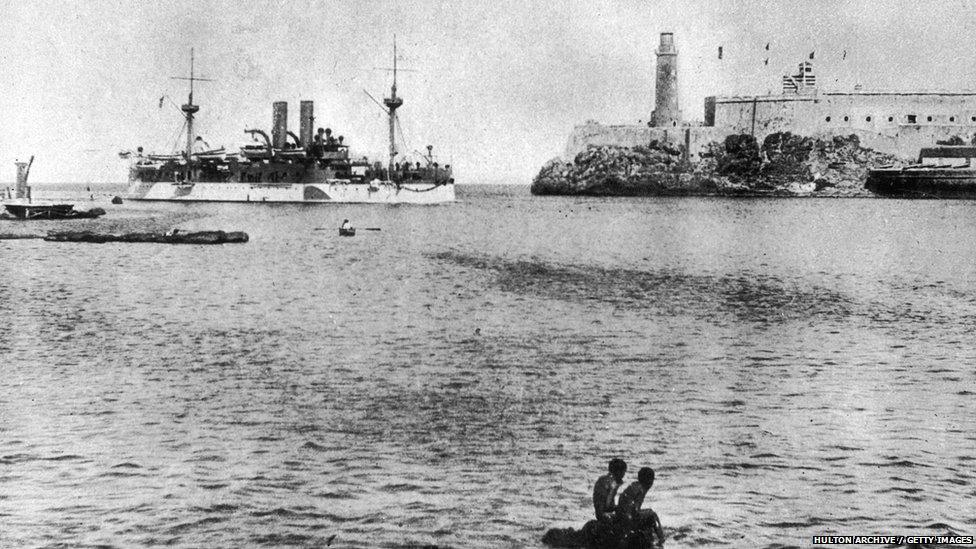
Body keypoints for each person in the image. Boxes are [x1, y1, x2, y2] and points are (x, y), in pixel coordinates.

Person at [617, 467, 665, 545]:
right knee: (653, 514)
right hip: (627, 518)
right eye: (651, 480)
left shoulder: (635, 486)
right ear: (649, 481)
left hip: (622, 516)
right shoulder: (641, 489)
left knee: (649, 513)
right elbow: (633, 509)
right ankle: (661, 538)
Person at [593, 458, 627, 523]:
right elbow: (607, 505)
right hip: (604, 515)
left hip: (601, 514)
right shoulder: (612, 483)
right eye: (624, 472)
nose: (624, 475)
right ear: (618, 472)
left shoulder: (605, 479)